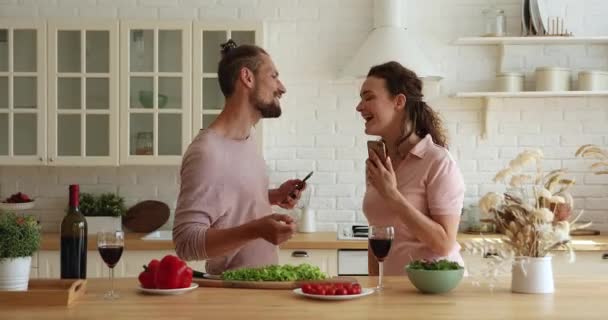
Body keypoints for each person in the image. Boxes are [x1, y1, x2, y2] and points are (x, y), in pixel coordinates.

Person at [173, 40, 306, 275]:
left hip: (260, 287)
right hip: (232, 294)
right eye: (273, 76)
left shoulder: (248, 140)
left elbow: (228, 202)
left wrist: (272, 197)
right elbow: (186, 243)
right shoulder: (206, 153)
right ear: (247, 77)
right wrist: (256, 230)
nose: (282, 87)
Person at [357, 61, 465, 276]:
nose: (359, 107)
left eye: (369, 97)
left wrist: (392, 195)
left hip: (432, 291)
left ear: (399, 101)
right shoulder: (379, 162)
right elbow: (376, 234)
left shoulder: (437, 161)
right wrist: (374, 286)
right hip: (391, 292)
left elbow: (444, 244)